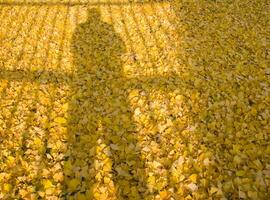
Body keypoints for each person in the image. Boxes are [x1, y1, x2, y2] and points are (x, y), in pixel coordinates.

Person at [65, 8, 145, 199]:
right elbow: (121, 47)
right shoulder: (107, 28)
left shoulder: (81, 29)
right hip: (110, 77)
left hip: (83, 72)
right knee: (120, 126)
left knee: (81, 126)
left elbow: (73, 47)